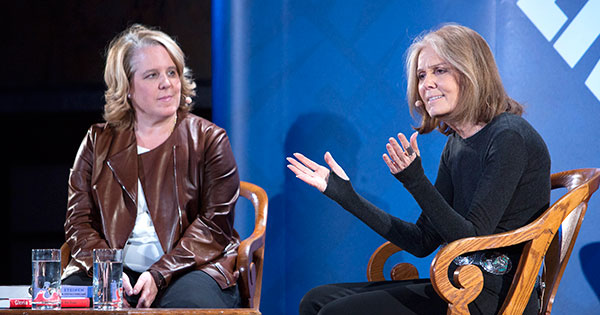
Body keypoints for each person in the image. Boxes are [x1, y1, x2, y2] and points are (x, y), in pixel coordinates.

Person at [287, 24, 550, 315]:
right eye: (422, 75)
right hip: (459, 284)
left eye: (440, 71)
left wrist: (415, 180)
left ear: (472, 72)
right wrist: (345, 195)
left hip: (493, 295)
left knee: (335, 312)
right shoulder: (457, 145)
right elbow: (423, 241)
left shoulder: (509, 137)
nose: (426, 84)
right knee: (316, 299)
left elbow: (471, 240)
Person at [62, 24, 242, 309]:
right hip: (113, 268)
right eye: (152, 75)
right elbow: (78, 222)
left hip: (189, 267)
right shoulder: (97, 141)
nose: (167, 83)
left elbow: (215, 227)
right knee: (65, 303)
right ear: (127, 88)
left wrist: (159, 273)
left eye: (172, 72)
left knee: (186, 304)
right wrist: (108, 268)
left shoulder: (209, 139)